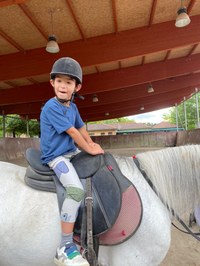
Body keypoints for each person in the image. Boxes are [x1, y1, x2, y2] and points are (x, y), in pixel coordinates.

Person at [40, 57, 104, 266]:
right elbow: (72, 132)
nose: (63, 86)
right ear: (52, 83)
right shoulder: (51, 107)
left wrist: (92, 143)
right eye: (59, 81)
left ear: (77, 87)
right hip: (56, 157)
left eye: (68, 82)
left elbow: (82, 128)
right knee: (76, 190)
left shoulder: (73, 107)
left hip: (71, 153)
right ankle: (65, 246)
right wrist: (89, 148)